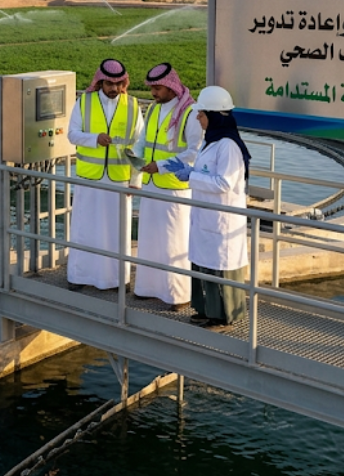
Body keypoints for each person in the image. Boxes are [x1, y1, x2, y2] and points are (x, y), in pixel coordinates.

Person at [163, 85, 251, 330]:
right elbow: (207, 172)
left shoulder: (228, 146)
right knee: (204, 265)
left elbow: (225, 182)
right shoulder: (211, 142)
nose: (198, 118)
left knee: (219, 270)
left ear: (213, 115)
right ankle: (206, 311)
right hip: (206, 216)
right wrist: (191, 172)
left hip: (221, 220)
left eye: (201, 114)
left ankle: (224, 316)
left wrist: (190, 177)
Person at [66, 58, 144, 291]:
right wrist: (94, 139)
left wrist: (135, 180)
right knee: (84, 229)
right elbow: (72, 134)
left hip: (119, 180)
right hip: (89, 178)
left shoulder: (133, 105)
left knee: (117, 233)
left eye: (119, 84)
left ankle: (117, 281)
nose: (114, 89)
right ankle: (79, 277)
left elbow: (140, 145)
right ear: (100, 81)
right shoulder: (84, 102)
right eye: (110, 83)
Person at [133, 64, 203, 311]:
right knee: (150, 240)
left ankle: (178, 295)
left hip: (175, 189)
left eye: (158, 88)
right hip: (152, 187)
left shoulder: (191, 113)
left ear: (172, 86)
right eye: (151, 88)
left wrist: (160, 166)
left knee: (174, 243)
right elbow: (143, 142)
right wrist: (135, 158)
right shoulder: (153, 109)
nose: (153, 92)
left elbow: (195, 154)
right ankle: (147, 288)